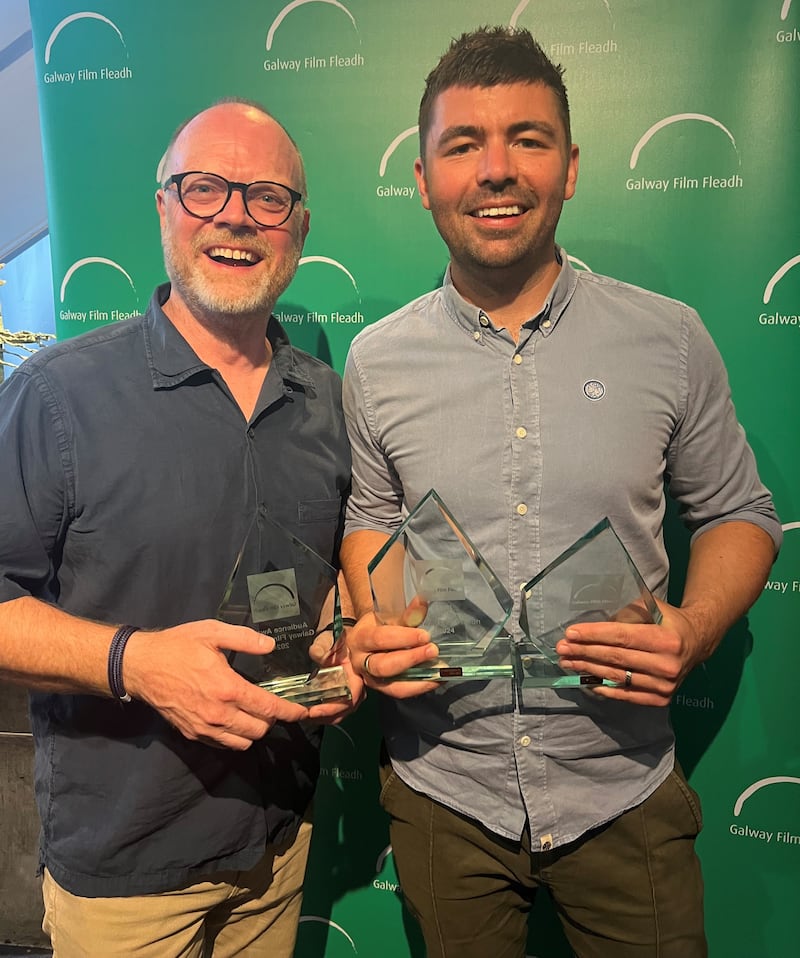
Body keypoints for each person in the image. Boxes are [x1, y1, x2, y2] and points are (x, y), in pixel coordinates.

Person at [341, 27, 781, 958]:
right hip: (442, 793)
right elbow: (371, 521)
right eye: (463, 145)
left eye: (528, 140)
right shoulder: (375, 362)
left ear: (571, 166)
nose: (496, 170)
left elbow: (741, 514)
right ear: (422, 179)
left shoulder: (670, 338)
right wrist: (375, 623)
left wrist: (693, 630)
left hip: (620, 786)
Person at [0, 98, 361, 957]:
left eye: (267, 197)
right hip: (123, 879)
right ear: (164, 206)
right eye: (205, 190)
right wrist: (135, 662)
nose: (235, 215)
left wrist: (341, 634)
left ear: (299, 227)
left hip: (276, 853)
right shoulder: (57, 397)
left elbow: (327, 579)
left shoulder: (328, 403)